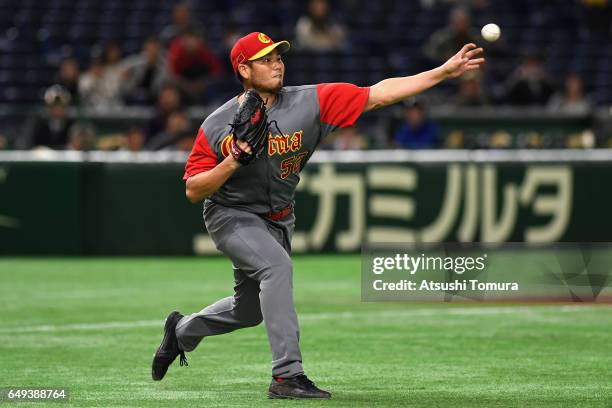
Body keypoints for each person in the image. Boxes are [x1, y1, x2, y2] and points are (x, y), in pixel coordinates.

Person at [151, 31, 483, 399]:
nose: (276, 63)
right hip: (231, 214)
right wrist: (234, 160)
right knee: (276, 269)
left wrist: (443, 71)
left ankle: (181, 331)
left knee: (249, 311)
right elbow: (194, 190)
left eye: (278, 56)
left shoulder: (311, 102)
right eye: (265, 59)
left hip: (279, 218)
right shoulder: (217, 124)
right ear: (243, 69)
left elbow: (378, 94)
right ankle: (286, 376)